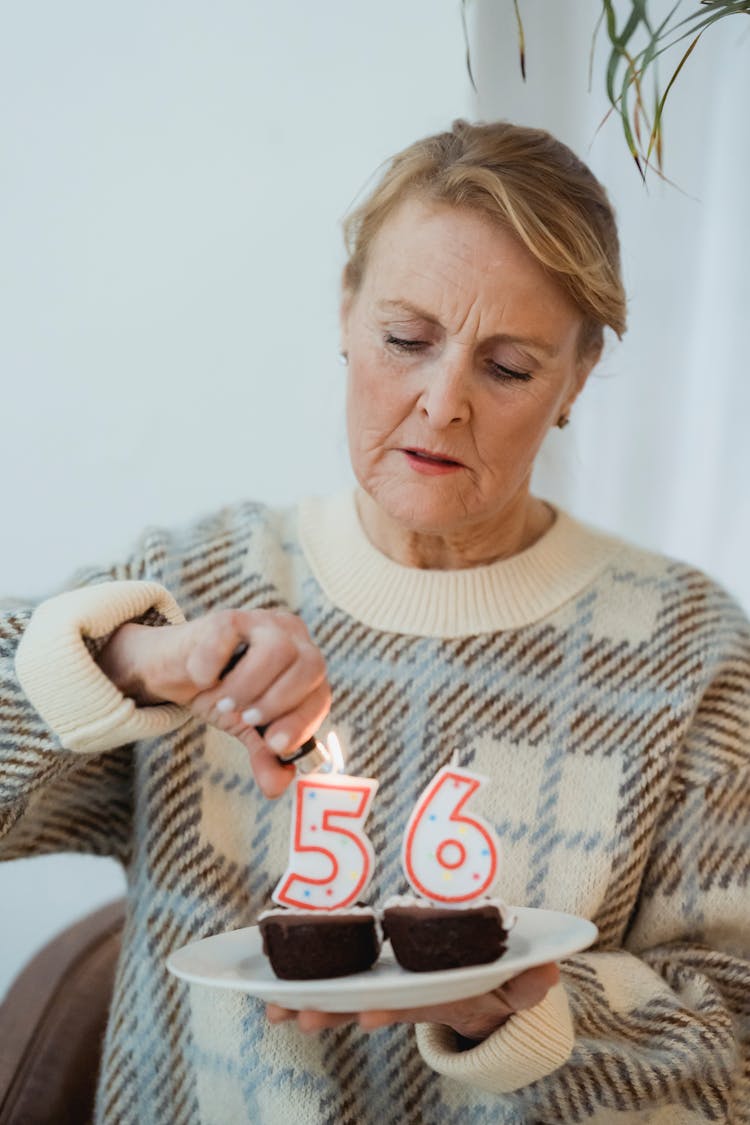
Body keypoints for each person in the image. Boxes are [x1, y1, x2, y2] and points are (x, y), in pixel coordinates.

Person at [3, 119, 748, 1124]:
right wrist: (140, 665)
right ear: (346, 313)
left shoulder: (687, 648)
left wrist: (520, 1019)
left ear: (578, 376)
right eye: (406, 340)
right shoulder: (198, 583)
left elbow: (729, 1041)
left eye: (510, 367)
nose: (442, 405)